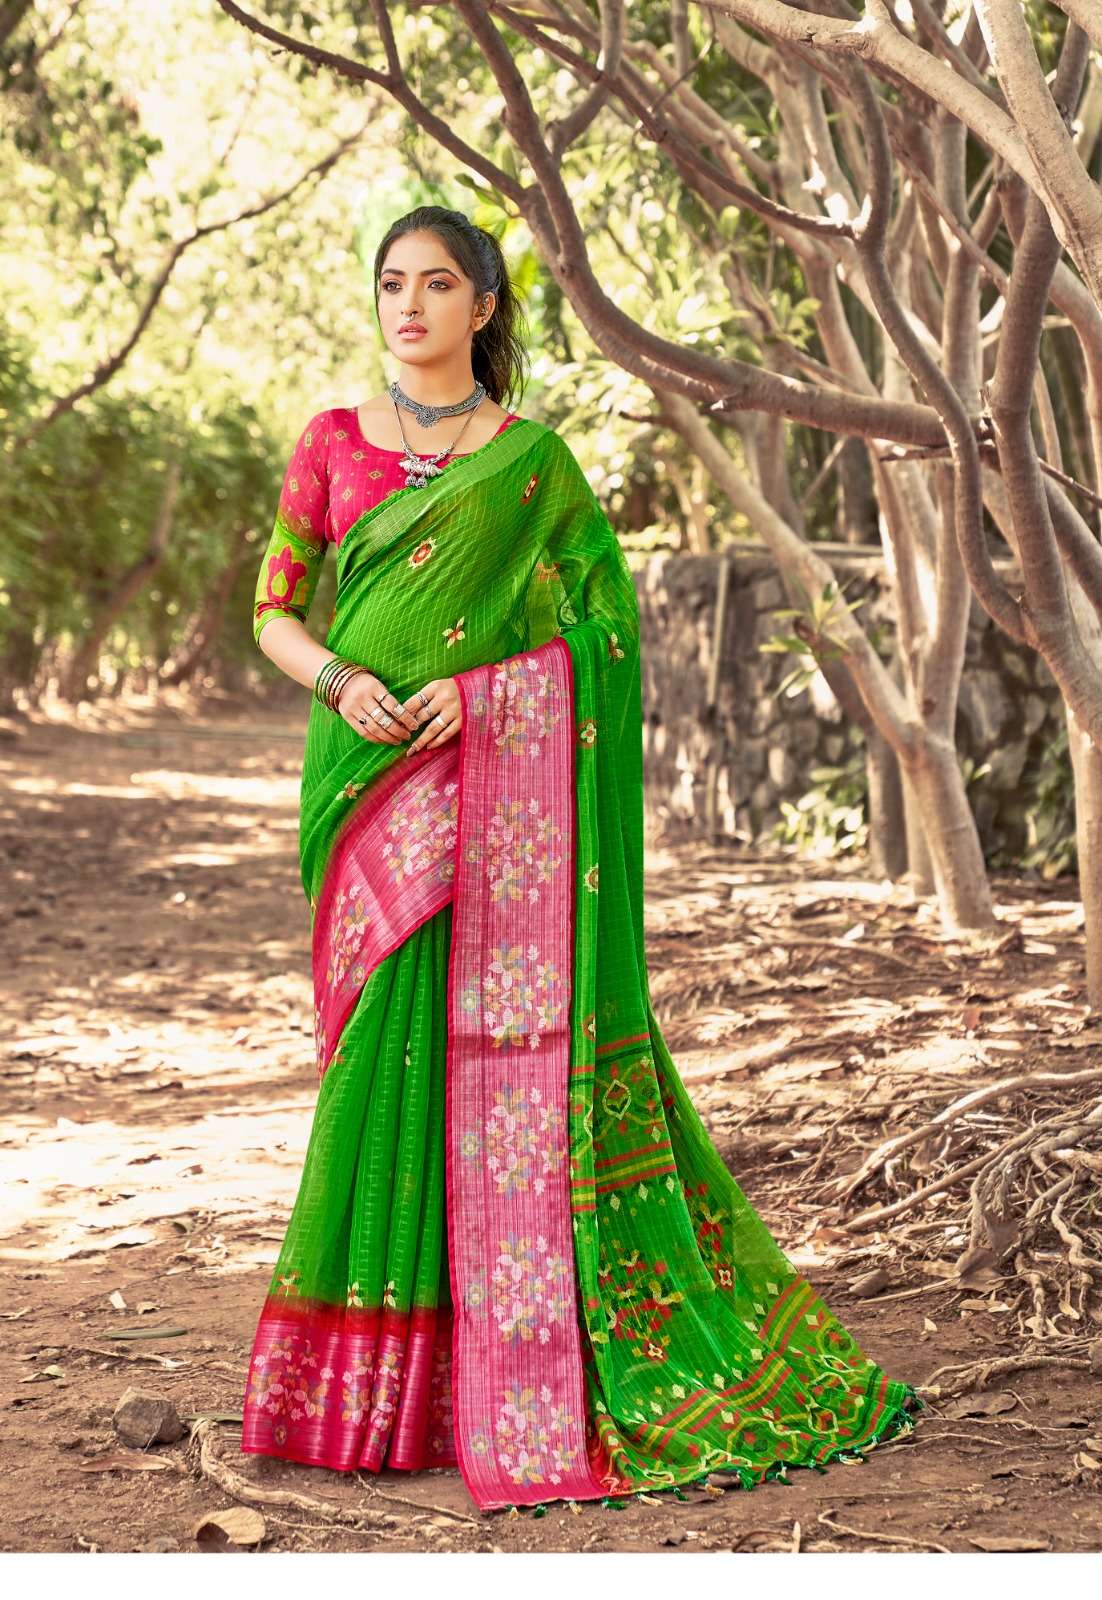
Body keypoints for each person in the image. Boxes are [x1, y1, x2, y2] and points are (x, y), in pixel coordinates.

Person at [240, 205, 923, 1513]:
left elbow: (605, 628)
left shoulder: (533, 465)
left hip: (486, 782)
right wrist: (335, 679)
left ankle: (488, 1382)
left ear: (484, 305)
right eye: (391, 284)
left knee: (479, 1063)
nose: (408, 306)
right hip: (362, 782)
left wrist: (489, 697)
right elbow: (274, 609)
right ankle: (368, 1395)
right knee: (377, 1059)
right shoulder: (329, 443)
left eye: (437, 284)